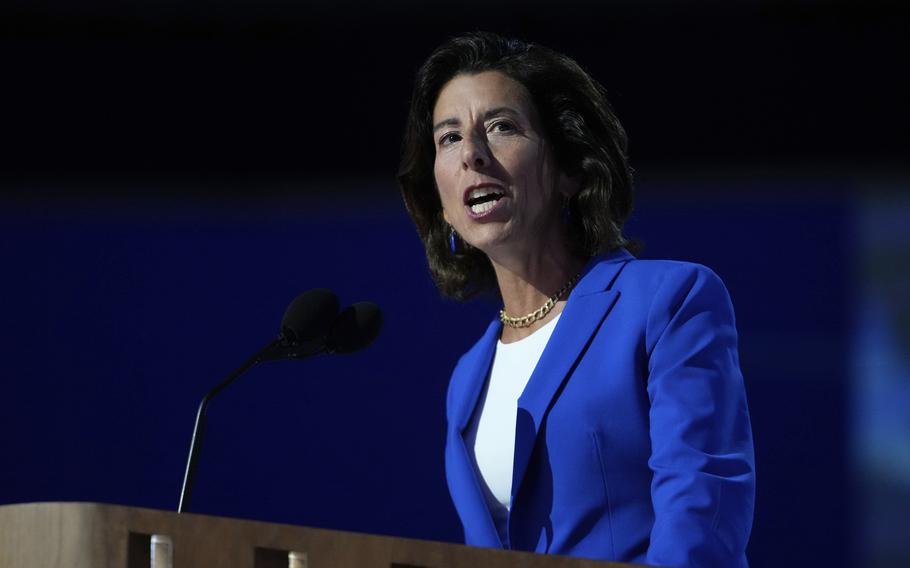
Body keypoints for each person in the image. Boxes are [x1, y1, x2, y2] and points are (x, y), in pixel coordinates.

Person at [398, 32, 755, 567]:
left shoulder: (667, 301)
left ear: (569, 169)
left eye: (500, 127)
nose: (471, 153)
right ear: (442, 199)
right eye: (448, 138)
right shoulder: (467, 379)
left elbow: (702, 515)